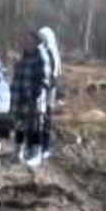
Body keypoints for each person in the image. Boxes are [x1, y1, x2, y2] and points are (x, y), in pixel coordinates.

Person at [11, 31, 51, 168]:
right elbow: (17, 78)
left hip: (34, 99)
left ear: (36, 42)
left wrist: (35, 94)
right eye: (24, 40)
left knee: (34, 127)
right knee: (19, 125)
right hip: (19, 98)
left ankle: (36, 154)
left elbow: (44, 81)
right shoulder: (22, 58)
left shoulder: (41, 57)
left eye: (29, 40)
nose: (26, 42)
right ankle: (18, 152)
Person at [37, 26, 61, 160]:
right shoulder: (38, 50)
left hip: (48, 92)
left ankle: (45, 147)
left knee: (46, 120)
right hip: (37, 91)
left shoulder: (53, 53)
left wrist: (48, 88)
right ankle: (34, 146)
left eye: (43, 38)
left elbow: (55, 74)